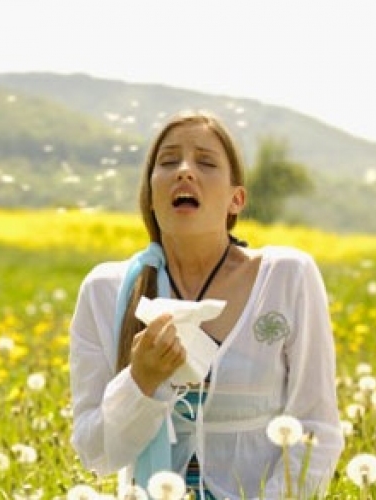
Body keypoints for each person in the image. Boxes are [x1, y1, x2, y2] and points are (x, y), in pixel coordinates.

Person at [68, 110, 344, 499]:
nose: (184, 171)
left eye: (206, 162)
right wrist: (139, 383)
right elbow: (96, 453)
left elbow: (316, 429)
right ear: (149, 194)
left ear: (237, 199)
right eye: (168, 162)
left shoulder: (287, 277)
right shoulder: (104, 291)